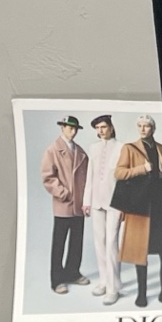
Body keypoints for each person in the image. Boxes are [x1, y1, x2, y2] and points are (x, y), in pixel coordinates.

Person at [114, 114, 162, 309]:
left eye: (146, 126)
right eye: (140, 126)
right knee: (140, 249)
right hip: (141, 205)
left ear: (153, 128)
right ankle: (142, 293)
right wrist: (141, 169)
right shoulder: (129, 148)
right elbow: (119, 173)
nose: (143, 129)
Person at [39, 115, 88, 294]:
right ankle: (57, 280)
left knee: (77, 241)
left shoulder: (80, 152)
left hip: (79, 205)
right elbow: (48, 177)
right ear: (62, 128)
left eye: (75, 129)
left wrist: (86, 199)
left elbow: (87, 178)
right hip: (64, 204)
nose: (72, 131)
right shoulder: (53, 150)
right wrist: (63, 193)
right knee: (59, 243)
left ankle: (73, 272)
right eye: (69, 128)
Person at [85, 114, 125, 304]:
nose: (100, 131)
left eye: (103, 127)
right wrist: (86, 201)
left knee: (111, 242)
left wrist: (124, 205)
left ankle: (113, 287)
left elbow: (125, 181)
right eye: (97, 128)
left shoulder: (122, 147)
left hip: (115, 203)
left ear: (111, 127)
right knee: (99, 242)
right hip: (96, 202)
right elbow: (90, 176)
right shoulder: (93, 148)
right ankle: (103, 281)